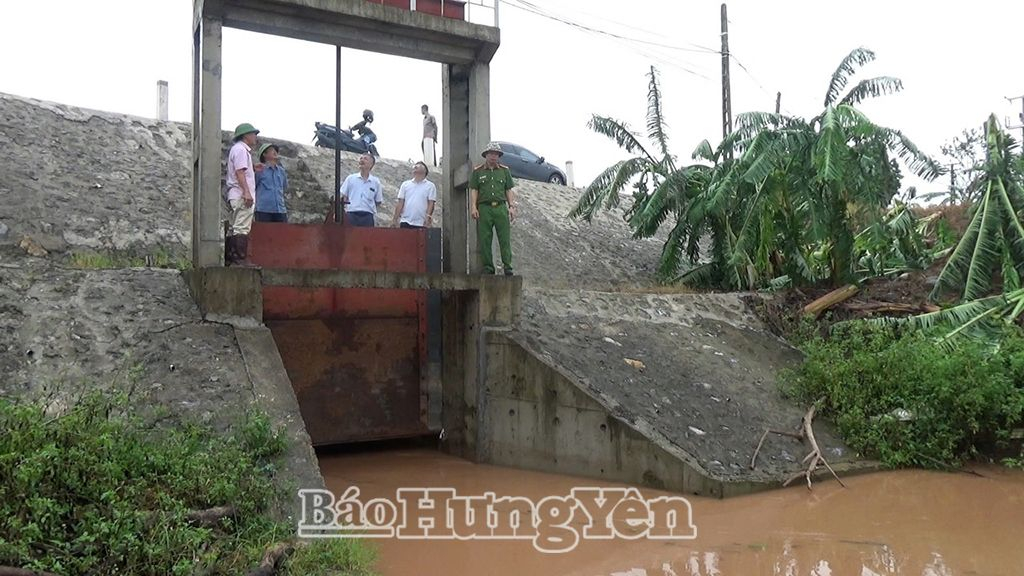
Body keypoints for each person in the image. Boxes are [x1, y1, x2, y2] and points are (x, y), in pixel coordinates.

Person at [469, 142, 516, 275]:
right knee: (485, 239)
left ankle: (508, 266)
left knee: (504, 238)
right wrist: (473, 207)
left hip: (500, 207)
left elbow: (508, 189)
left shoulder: (504, 171)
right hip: (484, 208)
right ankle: (489, 268)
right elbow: (474, 190)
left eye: (496, 154)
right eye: (491, 153)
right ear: (486, 155)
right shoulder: (478, 171)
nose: (493, 156)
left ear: (499, 156)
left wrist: (511, 206)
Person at [225, 122, 259, 266]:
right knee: (242, 227)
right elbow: (240, 172)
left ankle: (232, 258)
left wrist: (252, 168)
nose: (255, 137)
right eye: (253, 134)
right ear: (246, 136)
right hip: (241, 194)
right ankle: (239, 259)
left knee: (236, 226)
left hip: (235, 194)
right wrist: (246, 192)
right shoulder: (241, 150)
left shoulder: (237, 150)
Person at [340, 153, 383, 227]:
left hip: (367, 216)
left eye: (365, 159)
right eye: (361, 158)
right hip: (351, 214)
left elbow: (378, 201)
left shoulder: (375, 182)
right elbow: (344, 196)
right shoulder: (351, 178)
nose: (362, 160)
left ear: (371, 164)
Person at [392, 162, 437, 229]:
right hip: (405, 221)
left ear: (424, 171)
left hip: (421, 222)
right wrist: (395, 219)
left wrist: (428, 217)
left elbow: (431, 203)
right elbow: (400, 202)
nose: (414, 169)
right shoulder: (405, 184)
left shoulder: (430, 186)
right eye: (414, 168)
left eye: (417, 167)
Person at [254, 143, 288, 223]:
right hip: (264, 210)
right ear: (264, 154)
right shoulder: (260, 170)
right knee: (264, 234)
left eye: (276, 150)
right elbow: (253, 186)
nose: (275, 152)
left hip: (280, 210)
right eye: (271, 150)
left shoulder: (281, 171)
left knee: (283, 234)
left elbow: (284, 186)